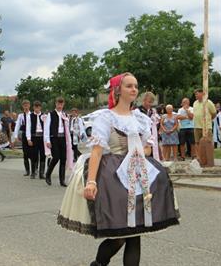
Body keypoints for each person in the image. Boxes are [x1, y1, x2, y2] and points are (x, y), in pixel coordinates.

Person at [57, 73, 179, 266]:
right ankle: (98, 264)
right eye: (129, 86)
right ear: (118, 90)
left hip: (137, 174)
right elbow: (97, 151)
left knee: (135, 233)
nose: (134, 89)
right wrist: (91, 182)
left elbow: (148, 148)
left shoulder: (140, 118)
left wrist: (140, 149)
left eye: (136, 86)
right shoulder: (105, 117)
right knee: (119, 235)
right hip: (113, 177)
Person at [44, 97, 73, 187]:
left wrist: (68, 140)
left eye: (61, 104)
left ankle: (62, 180)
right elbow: (47, 128)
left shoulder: (64, 114)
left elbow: (67, 128)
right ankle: (48, 174)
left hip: (63, 138)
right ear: (55, 104)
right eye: (58, 104)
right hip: (54, 138)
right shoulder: (51, 114)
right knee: (56, 157)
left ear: (63, 104)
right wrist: (47, 140)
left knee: (63, 159)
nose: (60, 106)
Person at [138, 92, 161, 162]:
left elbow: (157, 123)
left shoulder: (152, 111)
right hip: (142, 136)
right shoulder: (138, 111)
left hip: (152, 135)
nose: (150, 104)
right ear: (144, 100)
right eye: (149, 102)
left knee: (152, 154)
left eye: (151, 102)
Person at [26, 101, 46, 179]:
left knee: (43, 155)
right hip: (34, 137)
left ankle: (41, 173)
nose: (37, 108)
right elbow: (28, 128)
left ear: (40, 107)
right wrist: (28, 139)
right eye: (35, 107)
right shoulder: (29, 116)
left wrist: (47, 139)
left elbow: (47, 127)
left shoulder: (44, 115)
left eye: (38, 107)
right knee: (34, 155)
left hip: (42, 137)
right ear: (33, 107)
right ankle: (33, 172)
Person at [13, 100, 32, 176]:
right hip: (24, 135)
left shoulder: (32, 114)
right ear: (23, 106)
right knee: (25, 153)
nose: (26, 106)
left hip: (32, 135)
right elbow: (17, 126)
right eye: (24, 105)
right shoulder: (21, 116)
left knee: (33, 153)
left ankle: (35, 169)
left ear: (29, 105)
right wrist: (15, 136)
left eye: (27, 105)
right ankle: (27, 170)